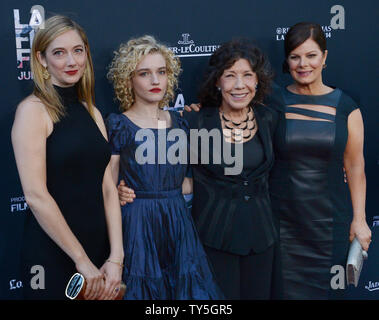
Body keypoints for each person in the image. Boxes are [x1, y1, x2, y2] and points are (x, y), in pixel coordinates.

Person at [120, 39, 283, 299]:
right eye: (230, 76)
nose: (239, 85)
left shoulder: (270, 119)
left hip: (262, 238)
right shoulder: (193, 121)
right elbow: (161, 169)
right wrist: (125, 187)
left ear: (257, 81)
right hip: (213, 240)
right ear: (217, 82)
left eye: (247, 76)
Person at [11, 15, 124, 300]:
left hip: (100, 254)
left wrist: (116, 257)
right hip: (53, 256)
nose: (71, 61)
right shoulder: (33, 112)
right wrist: (81, 260)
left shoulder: (92, 112)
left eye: (78, 50)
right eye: (59, 53)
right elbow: (36, 195)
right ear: (42, 59)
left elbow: (108, 188)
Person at [105, 35, 223, 299]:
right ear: (129, 80)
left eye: (161, 72)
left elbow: (185, 181)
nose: (155, 80)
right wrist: (120, 189)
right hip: (138, 223)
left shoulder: (180, 123)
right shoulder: (119, 125)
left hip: (178, 222)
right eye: (144, 73)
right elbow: (107, 188)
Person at [268, 22, 371, 299]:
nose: (303, 64)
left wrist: (360, 220)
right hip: (282, 228)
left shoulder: (346, 107)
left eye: (311, 55)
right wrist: (198, 115)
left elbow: (355, 167)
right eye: (295, 56)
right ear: (287, 60)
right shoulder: (272, 101)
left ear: (324, 58)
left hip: (330, 227)